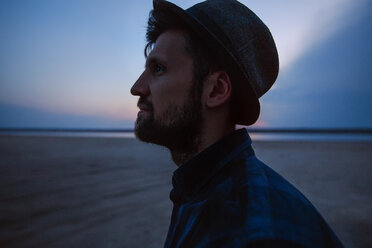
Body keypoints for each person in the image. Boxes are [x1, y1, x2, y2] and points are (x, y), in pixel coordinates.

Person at [130, 0, 344, 247]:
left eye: (158, 68)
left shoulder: (257, 232)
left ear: (216, 90)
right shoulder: (201, 190)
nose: (137, 87)